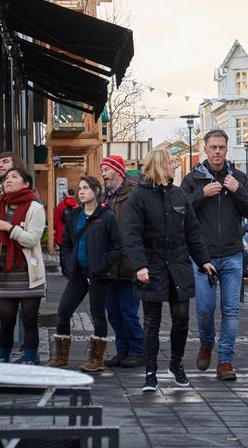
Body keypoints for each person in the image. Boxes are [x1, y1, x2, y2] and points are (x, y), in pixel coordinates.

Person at [123, 149, 215, 391]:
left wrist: (204, 260)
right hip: (152, 267)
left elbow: (192, 231)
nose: (175, 166)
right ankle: (150, 371)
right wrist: (140, 266)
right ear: (160, 165)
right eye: (171, 162)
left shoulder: (178, 195)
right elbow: (132, 236)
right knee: (152, 321)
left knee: (182, 317)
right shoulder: (138, 198)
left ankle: (176, 364)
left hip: (178, 265)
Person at [181, 129, 248, 381]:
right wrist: (201, 195)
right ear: (205, 149)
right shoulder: (193, 178)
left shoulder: (237, 176)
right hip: (203, 257)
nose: (217, 152)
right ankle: (206, 343)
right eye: (213, 147)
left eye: (221, 147)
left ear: (227, 149)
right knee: (205, 308)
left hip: (232, 255)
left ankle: (225, 361)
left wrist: (238, 190)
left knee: (231, 310)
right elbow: (179, 208)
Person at [47, 176, 122, 372]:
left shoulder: (107, 216)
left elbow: (117, 247)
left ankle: (97, 359)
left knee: (98, 314)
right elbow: (66, 243)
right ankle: (61, 357)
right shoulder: (74, 215)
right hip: (78, 274)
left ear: (96, 191)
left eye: (86, 188)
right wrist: (67, 264)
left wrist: (102, 265)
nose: (81, 191)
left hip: (99, 275)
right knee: (63, 312)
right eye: (79, 188)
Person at [0, 167, 46, 365]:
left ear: (26, 183)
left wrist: (10, 229)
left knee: (29, 320)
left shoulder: (35, 208)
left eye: (14, 177)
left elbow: (32, 240)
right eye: (7, 178)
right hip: (5, 273)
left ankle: (30, 360)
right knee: (6, 321)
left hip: (28, 274)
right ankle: (4, 358)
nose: (8, 180)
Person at [100, 155, 145, 369]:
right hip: (109, 265)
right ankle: (122, 351)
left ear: (118, 170)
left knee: (128, 311)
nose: (103, 174)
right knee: (114, 312)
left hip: (128, 264)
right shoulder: (104, 197)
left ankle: (137, 351)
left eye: (106, 170)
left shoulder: (134, 195)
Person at [54, 188, 79, 275]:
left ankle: (64, 269)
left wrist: (55, 228)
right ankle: (71, 268)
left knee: (62, 251)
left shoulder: (61, 205)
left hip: (62, 231)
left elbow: (55, 219)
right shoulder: (76, 205)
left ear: (65, 195)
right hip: (73, 232)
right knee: (72, 250)